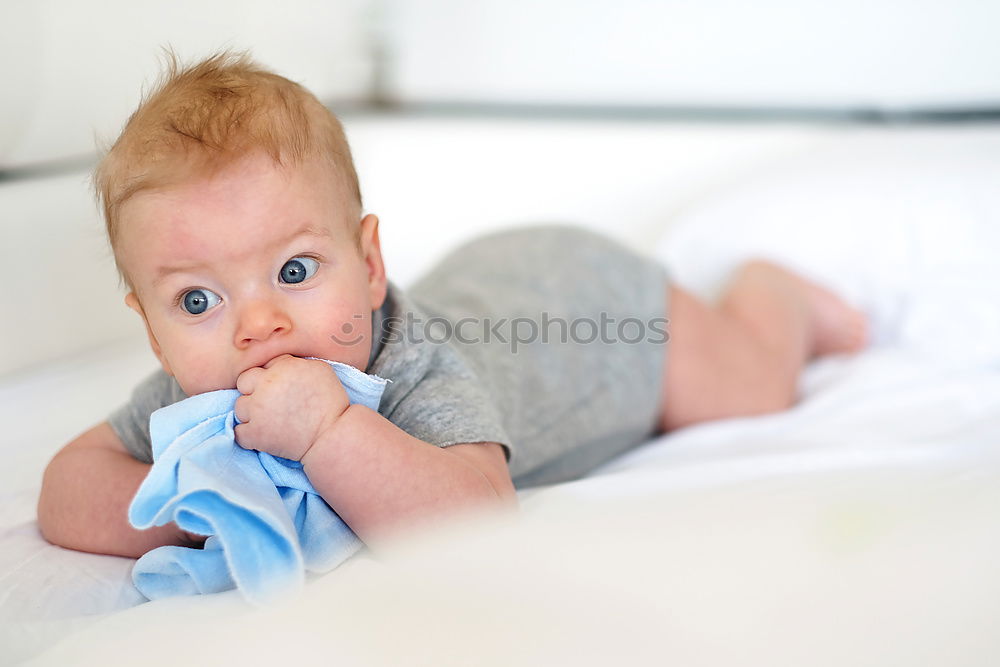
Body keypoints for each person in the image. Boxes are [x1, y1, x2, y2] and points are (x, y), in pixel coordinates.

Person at [37, 50, 868, 558]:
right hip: (499, 279)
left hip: (590, 315)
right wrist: (199, 504)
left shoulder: (413, 368)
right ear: (150, 329)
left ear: (368, 266)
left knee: (750, 384)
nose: (258, 326)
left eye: (294, 271)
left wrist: (329, 431)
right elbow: (67, 487)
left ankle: (775, 291)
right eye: (197, 299)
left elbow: (472, 518)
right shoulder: (198, 391)